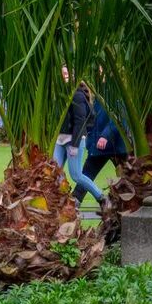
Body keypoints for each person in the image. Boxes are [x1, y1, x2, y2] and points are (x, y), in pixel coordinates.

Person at [53, 71, 104, 206]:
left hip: (74, 140)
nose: (64, 76)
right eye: (62, 73)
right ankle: (61, 203)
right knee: (54, 173)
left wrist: (75, 145)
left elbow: (80, 121)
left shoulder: (77, 95)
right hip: (60, 140)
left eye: (67, 73)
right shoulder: (59, 94)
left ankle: (101, 197)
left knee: (76, 175)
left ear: (74, 77)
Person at [76, 97, 127, 205]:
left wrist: (105, 135)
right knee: (87, 173)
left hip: (116, 146)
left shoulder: (114, 92)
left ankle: (131, 205)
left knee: (128, 178)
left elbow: (120, 118)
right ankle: (75, 202)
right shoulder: (95, 94)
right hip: (98, 147)